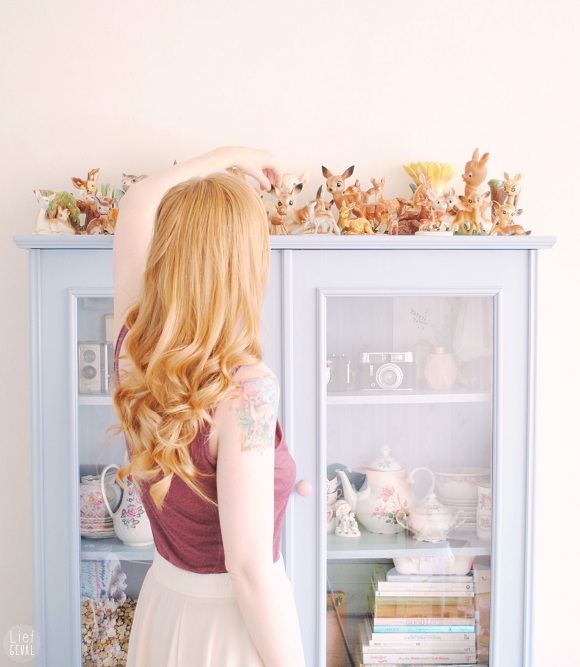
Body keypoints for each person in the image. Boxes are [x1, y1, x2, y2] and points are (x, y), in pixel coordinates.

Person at [112, 147, 306, 667]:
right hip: (230, 630)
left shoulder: (133, 346)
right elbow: (249, 571)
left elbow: (138, 201)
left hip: (164, 605)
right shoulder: (249, 392)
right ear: (243, 269)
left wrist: (231, 156)